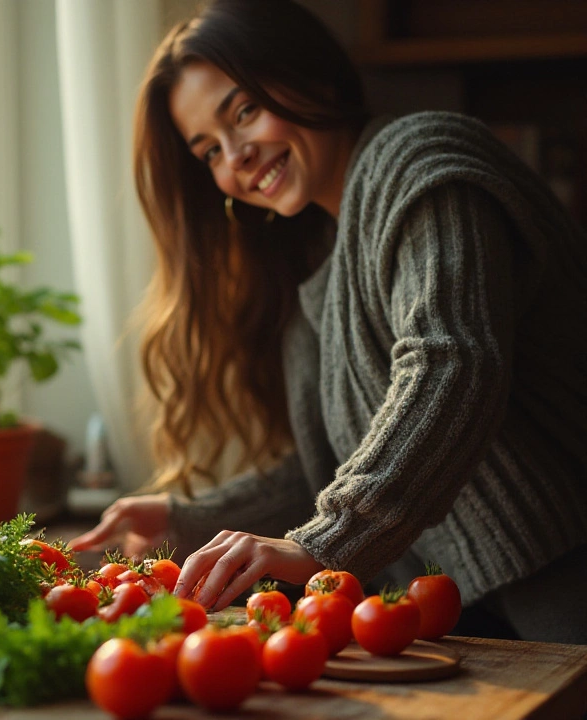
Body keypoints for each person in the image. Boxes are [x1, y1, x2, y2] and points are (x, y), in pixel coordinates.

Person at [70, 0, 587, 644]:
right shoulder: (322, 254)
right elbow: (336, 462)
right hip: (461, 604)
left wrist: (327, 545)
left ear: (311, 76)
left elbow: (451, 365)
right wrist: (190, 516)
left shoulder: (419, 158)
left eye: (245, 110)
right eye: (208, 151)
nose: (236, 156)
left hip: (564, 572)